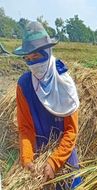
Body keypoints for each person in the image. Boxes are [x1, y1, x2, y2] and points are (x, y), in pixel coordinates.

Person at [13, 21, 81, 189]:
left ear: (48, 52)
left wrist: (55, 161)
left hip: (66, 160)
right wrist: (28, 158)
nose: (33, 63)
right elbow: (25, 128)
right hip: (39, 163)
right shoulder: (24, 85)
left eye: (37, 56)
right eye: (28, 58)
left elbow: (71, 131)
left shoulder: (63, 82)